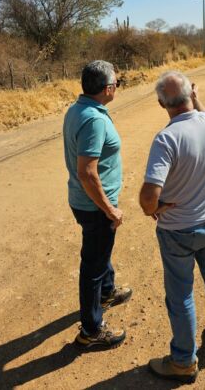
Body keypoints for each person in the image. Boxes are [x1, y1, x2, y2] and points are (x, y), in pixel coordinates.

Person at [139, 71, 205, 383]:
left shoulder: (166, 139)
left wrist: (155, 208)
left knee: (180, 295)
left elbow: (148, 197)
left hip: (178, 231)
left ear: (160, 103)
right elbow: (203, 112)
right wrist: (195, 94)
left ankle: (183, 361)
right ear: (190, 96)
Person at [62, 60, 133, 350]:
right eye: (116, 83)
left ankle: (106, 292)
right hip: (94, 206)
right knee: (93, 264)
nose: (117, 86)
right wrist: (109, 209)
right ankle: (91, 330)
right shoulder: (94, 119)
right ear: (107, 88)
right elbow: (87, 172)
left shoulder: (79, 109)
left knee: (101, 250)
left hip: (85, 202)